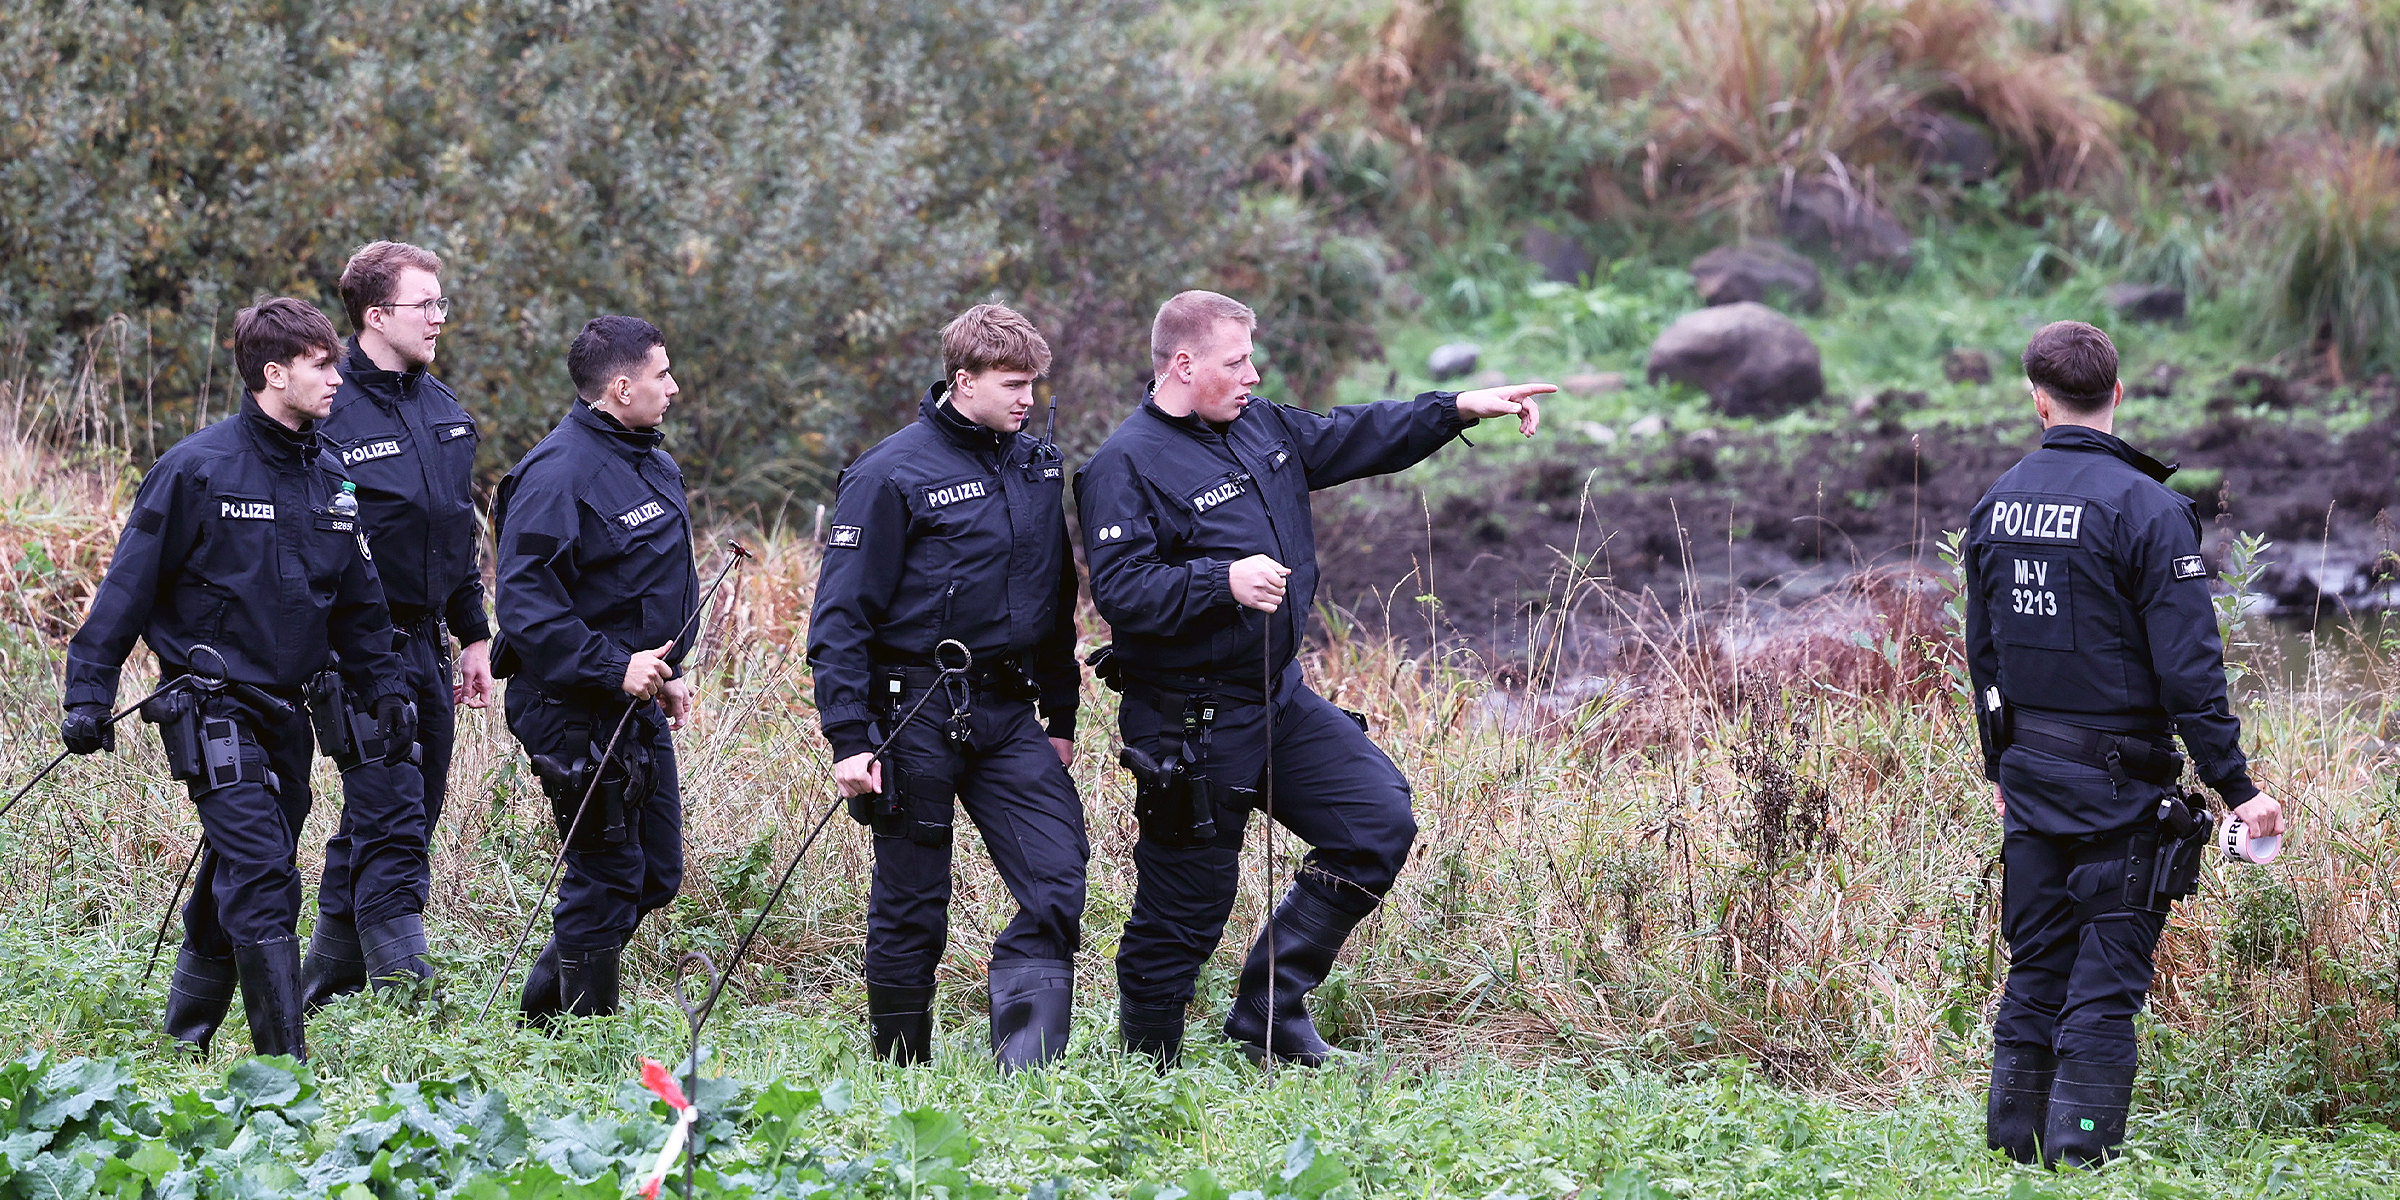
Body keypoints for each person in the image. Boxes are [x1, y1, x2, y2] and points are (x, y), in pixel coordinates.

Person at [1076, 289, 1550, 1066]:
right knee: (1185, 910)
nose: (1253, 375)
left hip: (1277, 700)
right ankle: (1145, 1071)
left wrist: (1459, 407)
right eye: (1237, 363)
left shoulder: (1258, 425)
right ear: (1185, 364)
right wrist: (1218, 580)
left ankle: (1269, 1014)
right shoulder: (1123, 467)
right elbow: (1121, 592)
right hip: (1189, 722)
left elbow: (1355, 433)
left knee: (1375, 824)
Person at [1966, 321, 2285, 1169]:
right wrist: (2237, 787)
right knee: (2103, 988)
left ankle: (2013, 1160)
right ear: (2120, 393)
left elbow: (1985, 657)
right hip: (2120, 791)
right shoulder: (2147, 507)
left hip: (2030, 781)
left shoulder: (1996, 504)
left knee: (2035, 970)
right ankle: (2079, 1163)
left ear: (2038, 398)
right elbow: (2189, 671)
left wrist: (2000, 764)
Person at [61, 298, 411, 1060]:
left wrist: (386, 689)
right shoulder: (195, 469)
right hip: (211, 707)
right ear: (274, 372)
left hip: (291, 715)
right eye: (322, 365)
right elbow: (127, 589)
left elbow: (357, 604)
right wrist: (88, 693)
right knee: (261, 873)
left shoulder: (334, 481)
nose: (338, 378)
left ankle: (183, 1038)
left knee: (241, 865)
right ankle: (284, 1073)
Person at [808, 304, 1085, 1071]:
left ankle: (1025, 1067)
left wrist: (1060, 713)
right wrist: (850, 739)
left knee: (1058, 875)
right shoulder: (887, 473)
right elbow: (838, 619)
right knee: (912, 902)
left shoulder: (1037, 465)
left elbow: (1054, 596)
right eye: (1011, 383)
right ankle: (901, 1068)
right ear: (962, 380)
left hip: (1007, 710)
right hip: (911, 711)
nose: (1027, 398)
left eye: (1034, 383)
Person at [300, 241, 494, 1006]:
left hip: (426, 641)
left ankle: (328, 979)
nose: (440, 318)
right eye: (426, 304)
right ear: (377, 316)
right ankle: (405, 995)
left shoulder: (444, 410)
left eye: (442, 303)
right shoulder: (328, 410)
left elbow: (456, 532)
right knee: (391, 811)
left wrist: (473, 633)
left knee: (413, 805)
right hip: (353, 651)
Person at [490, 315, 698, 1026]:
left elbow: (639, 585)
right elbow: (524, 607)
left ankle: (544, 1012)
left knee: (655, 872)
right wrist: (615, 665)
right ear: (620, 386)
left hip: (632, 701)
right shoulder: (557, 474)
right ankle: (577, 1039)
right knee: (606, 875)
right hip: (570, 705)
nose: (673, 387)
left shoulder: (650, 459)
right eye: (661, 375)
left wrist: (665, 671)